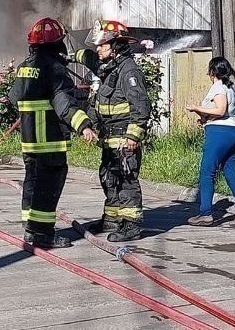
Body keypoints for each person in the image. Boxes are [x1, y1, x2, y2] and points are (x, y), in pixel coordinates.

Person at [9, 17, 96, 249]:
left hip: (29, 141)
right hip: (49, 140)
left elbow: (13, 98)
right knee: (48, 185)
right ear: (57, 43)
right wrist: (84, 125)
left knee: (32, 181)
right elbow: (63, 102)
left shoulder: (24, 67)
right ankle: (41, 233)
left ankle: (29, 226)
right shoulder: (55, 69)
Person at [75, 19, 151, 242]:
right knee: (109, 178)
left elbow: (141, 106)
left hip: (124, 140)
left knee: (126, 181)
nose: (98, 49)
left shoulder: (129, 71)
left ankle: (131, 225)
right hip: (109, 139)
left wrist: (133, 136)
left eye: (103, 45)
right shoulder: (109, 70)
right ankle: (112, 219)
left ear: (116, 46)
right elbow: (100, 104)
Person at [184, 57, 235, 228]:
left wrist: (196, 108)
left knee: (207, 172)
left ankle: (205, 213)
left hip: (219, 133)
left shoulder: (218, 86)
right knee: (232, 174)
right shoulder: (231, 88)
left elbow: (220, 110)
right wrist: (205, 117)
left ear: (213, 72)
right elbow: (225, 112)